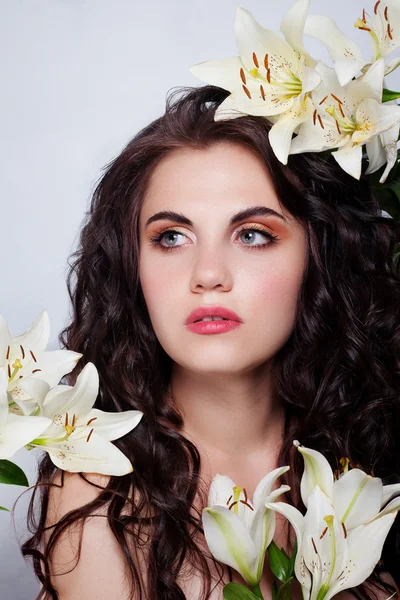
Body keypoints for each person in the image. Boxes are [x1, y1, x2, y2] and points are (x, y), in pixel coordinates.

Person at [22, 84, 400, 600]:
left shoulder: (366, 450)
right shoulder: (98, 494)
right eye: (171, 238)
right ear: (133, 268)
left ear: (320, 256)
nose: (208, 275)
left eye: (252, 234)